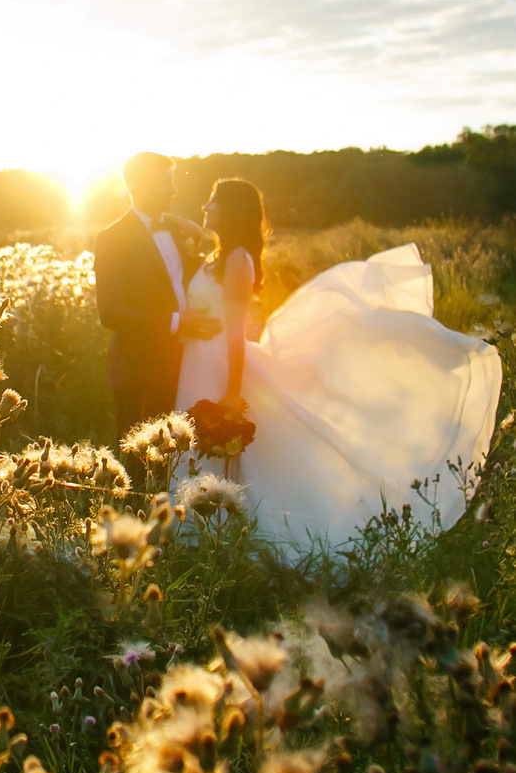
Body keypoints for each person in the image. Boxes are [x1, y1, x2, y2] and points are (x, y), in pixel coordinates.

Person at [175, 176, 503, 553]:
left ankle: (218, 539)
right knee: (198, 450)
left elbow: (234, 333)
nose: (204, 208)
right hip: (198, 362)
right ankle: (201, 536)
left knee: (226, 452)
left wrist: (232, 396)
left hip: (219, 366)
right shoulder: (217, 257)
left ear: (231, 209)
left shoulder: (236, 260)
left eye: (212, 201)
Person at [93, 153, 221, 443]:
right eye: (166, 184)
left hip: (185, 366)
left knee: (180, 463)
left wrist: (198, 241)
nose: (174, 191)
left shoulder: (178, 231)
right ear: (141, 185)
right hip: (140, 372)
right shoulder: (112, 238)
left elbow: (191, 283)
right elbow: (110, 312)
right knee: (141, 469)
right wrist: (177, 321)